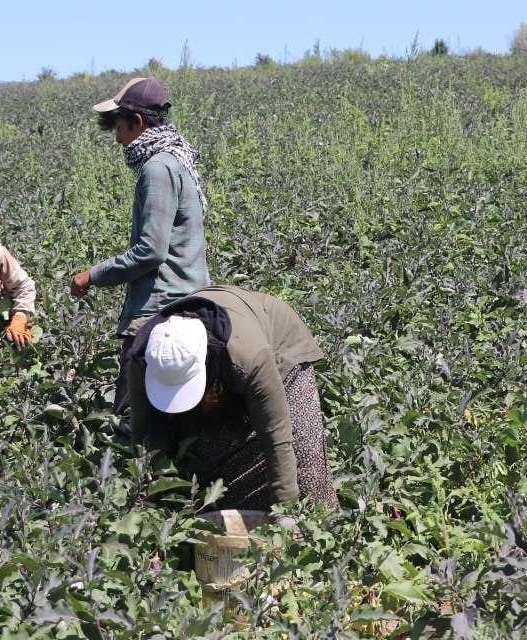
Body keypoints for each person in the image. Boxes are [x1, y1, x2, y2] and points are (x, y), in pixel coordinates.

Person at [124, 285, 339, 512]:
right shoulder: (144, 357)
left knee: (303, 460)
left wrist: (285, 512)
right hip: (226, 355)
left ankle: (316, 528)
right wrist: (146, 495)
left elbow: (277, 436)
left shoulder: (249, 357)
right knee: (211, 462)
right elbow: (143, 430)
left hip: (279, 345)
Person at [69, 77, 210, 412]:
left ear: (138, 123)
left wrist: (93, 275)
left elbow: (151, 251)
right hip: (191, 300)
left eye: (119, 127)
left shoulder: (157, 169)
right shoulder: (178, 161)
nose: (117, 139)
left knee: (131, 414)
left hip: (160, 310)